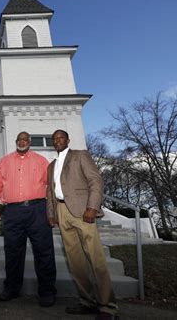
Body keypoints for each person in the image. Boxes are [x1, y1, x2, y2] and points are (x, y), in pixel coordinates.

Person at [46, 129, 119, 320]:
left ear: (68, 140)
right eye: (54, 139)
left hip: (82, 211)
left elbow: (95, 181)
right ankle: (87, 302)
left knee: (95, 260)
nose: (57, 141)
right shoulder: (51, 166)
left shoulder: (80, 156)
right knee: (75, 262)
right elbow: (50, 192)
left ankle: (108, 307)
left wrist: (92, 208)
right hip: (62, 212)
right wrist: (52, 213)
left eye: (61, 137)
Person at [0, 131, 57, 307]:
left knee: (44, 251)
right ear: (16, 142)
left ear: (29, 142)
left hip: (37, 210)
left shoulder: (41, 160)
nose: (22, 142)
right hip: (12, 212)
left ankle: (47, 291)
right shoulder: (5, 161)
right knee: (13, 252)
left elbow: (51, 185)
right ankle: (11, 289)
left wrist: (52, 210)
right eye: (19, 139)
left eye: (25, 139)